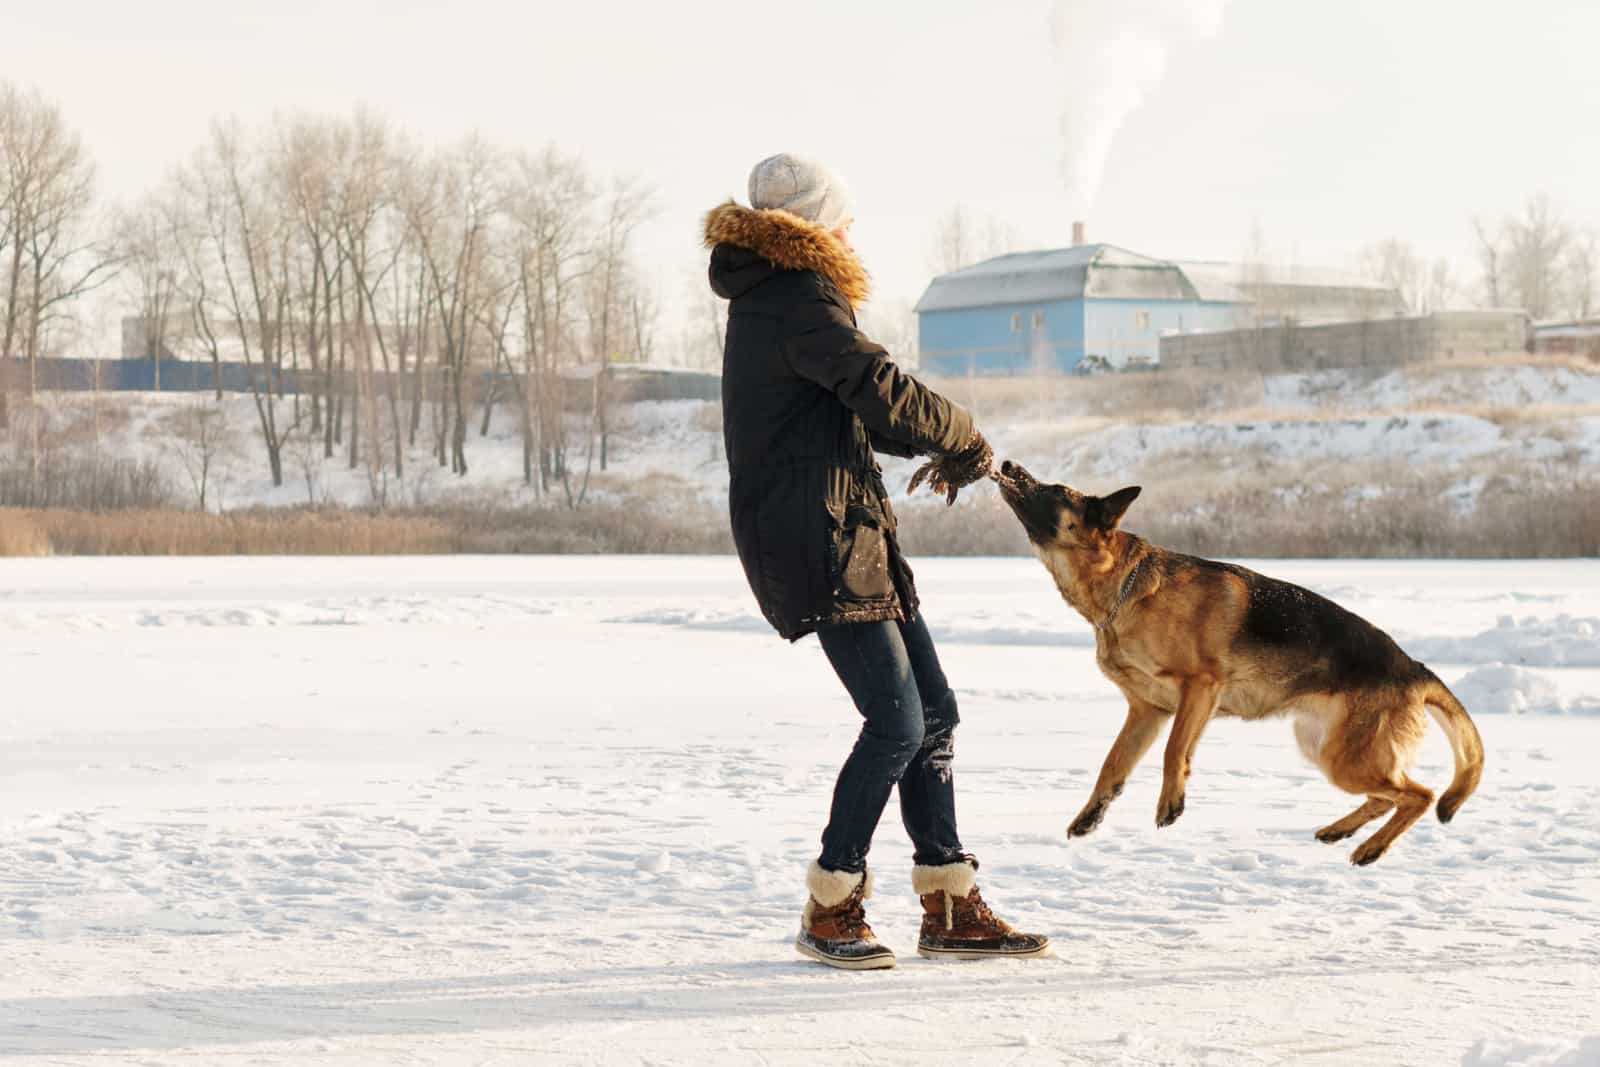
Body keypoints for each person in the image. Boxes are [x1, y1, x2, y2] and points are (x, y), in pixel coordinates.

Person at [703, 153, 1050, 970]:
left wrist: (941, 445)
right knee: (896, 721)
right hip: (815, 541)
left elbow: (860, 413)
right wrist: (959, 429)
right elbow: (877, 382)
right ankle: (832, 901)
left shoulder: (786, 296)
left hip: (852, 535)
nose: (853, 231)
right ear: (814, 224)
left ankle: (950, 900)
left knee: (935, 713)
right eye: (845, 219)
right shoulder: (793, 295)